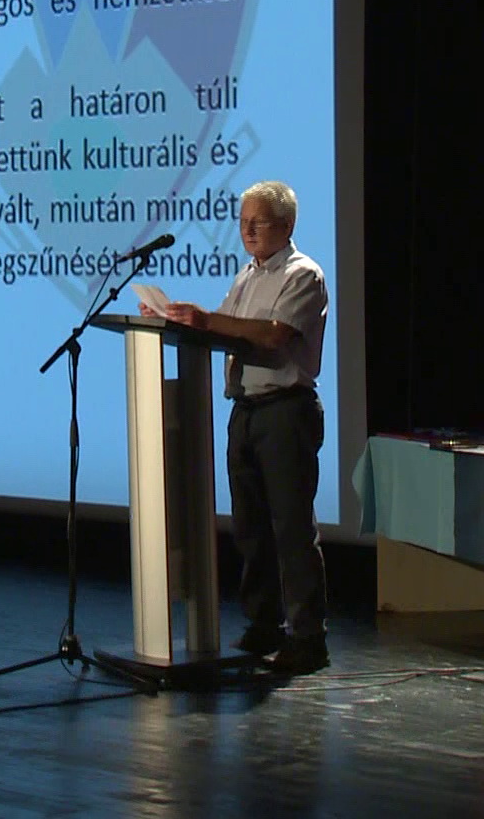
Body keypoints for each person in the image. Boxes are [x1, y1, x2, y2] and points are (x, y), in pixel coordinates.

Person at [143, 180, 330, 675]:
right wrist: (171, 319)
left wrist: (208, 321)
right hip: (245, 411)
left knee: (291, 527)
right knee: (250, 528)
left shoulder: (303, 274)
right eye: (243, 221)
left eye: (257, 222)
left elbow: (274, 335)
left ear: (286, 225)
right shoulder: (246, 276)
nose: (247, 231)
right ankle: (264, 624)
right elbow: (221, 326)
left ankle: (307, 637)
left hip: (284, 410)